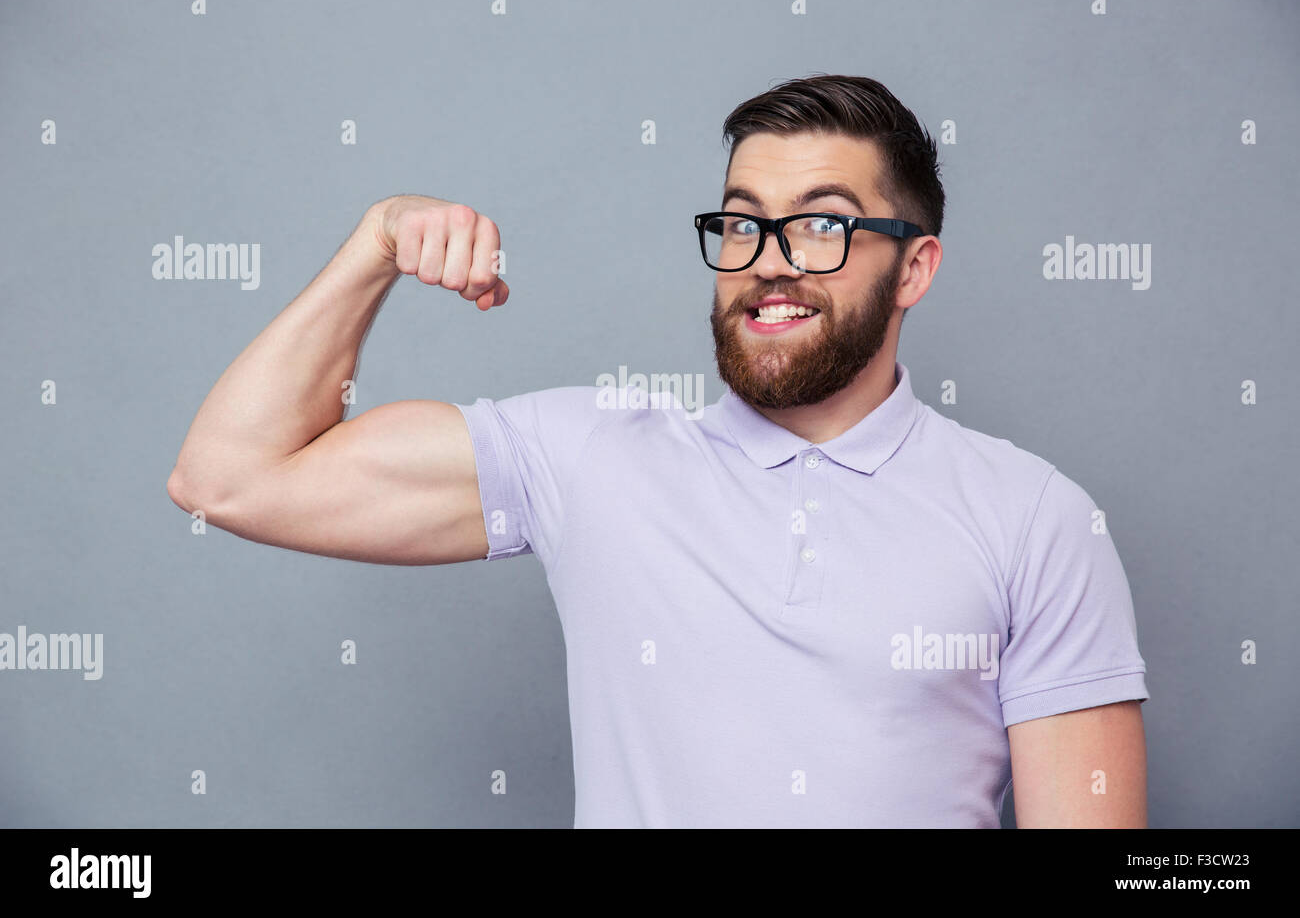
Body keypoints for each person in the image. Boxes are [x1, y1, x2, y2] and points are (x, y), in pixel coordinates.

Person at [167, 73, 1149, 828]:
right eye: (741, 220)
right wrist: (374, 246)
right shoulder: (590, 457)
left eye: (819, 223)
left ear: (914, 267)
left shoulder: (1034, 518)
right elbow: (229, 477)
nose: (767, 257)